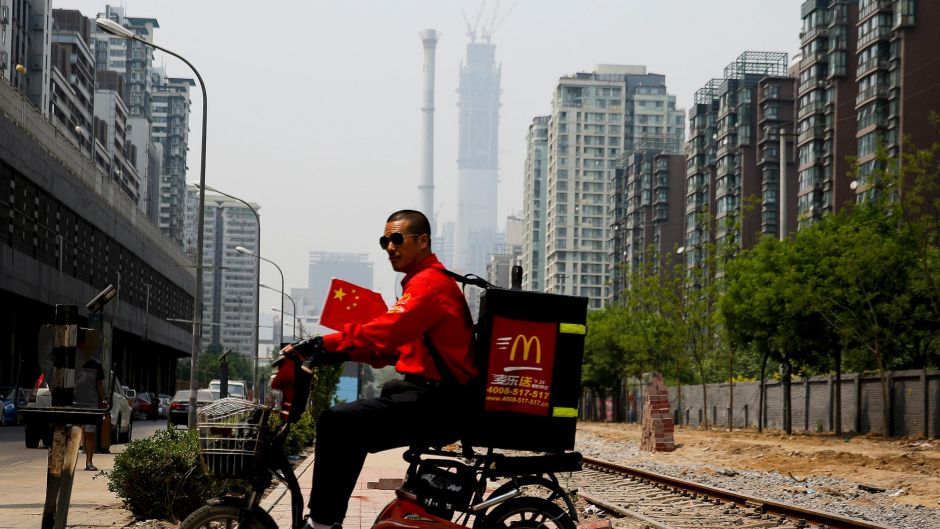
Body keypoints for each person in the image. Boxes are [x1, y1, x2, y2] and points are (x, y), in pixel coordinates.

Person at [284, 209, 477, 529]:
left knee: (338, 423)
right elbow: (392, 349)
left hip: (439, 404)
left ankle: (322, 524)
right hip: (432, 399)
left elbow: (388, 329)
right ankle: (326, 520)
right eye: (384, 240)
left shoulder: (430, 285)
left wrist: (325, 344)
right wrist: (334, 354)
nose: (390, 247)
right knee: (348, 426)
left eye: (397, 239)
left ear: (423, 240)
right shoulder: (423, 283)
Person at [74, 329, 107, 471]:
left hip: (91, 404)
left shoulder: (96, 365)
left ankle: (89, 462)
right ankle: (70, 462)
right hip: (74, 404)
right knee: (74, 434)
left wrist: (103, 401)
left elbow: (99, 385)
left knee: (90, 435)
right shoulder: (72, 364)